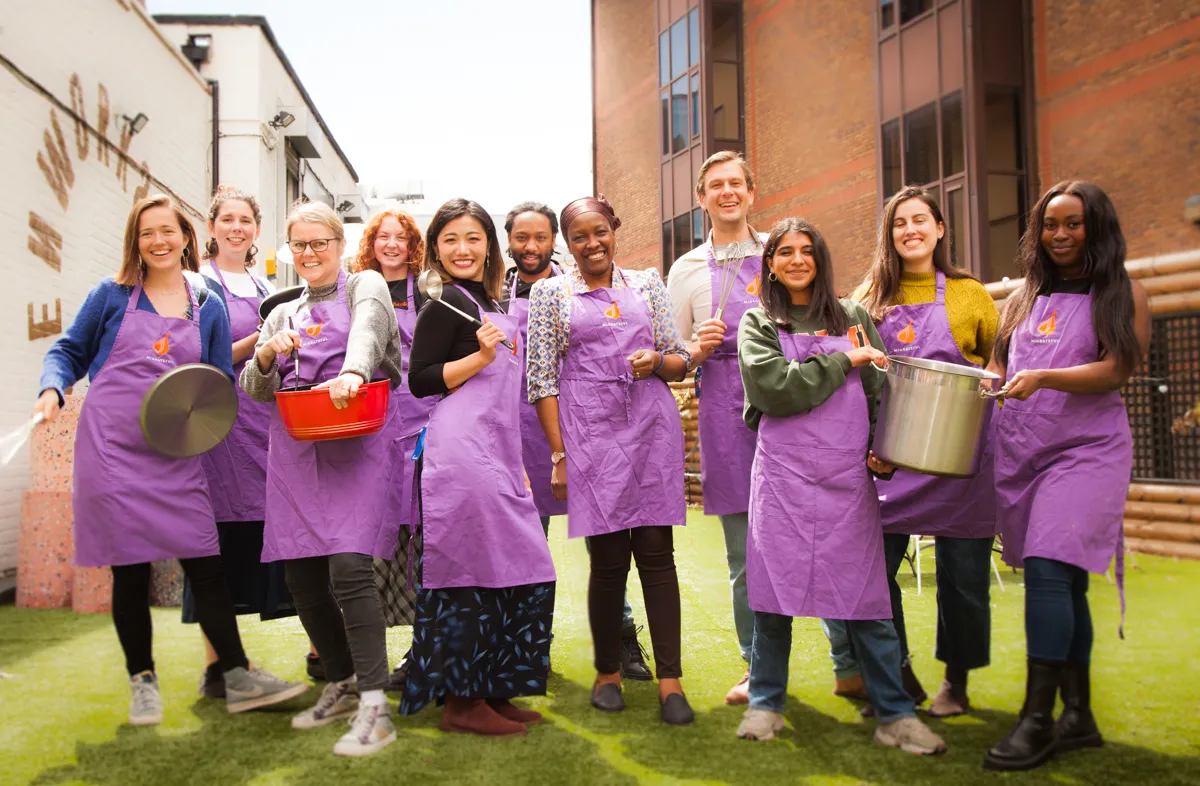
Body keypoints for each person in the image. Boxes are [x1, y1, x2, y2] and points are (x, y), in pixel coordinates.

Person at [34, 194, 305, 726]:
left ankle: (235, 673)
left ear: (185, 236)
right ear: (135, 241)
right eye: (146, 233)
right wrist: (52, 389)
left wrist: (203, 420)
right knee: (130, 570)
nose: (158, 241)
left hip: (176, 450)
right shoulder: (111, 297)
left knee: (205, 562)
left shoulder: (206, 302)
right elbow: (67, 351)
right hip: (113, 449)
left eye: (167, 231)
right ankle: (143, 681)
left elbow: (216, 378)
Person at [734, 217, 946, 755]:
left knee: (866, 601)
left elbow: (880, 391)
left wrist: (883, 449)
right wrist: (842, 359)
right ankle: (766, 704)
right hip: (782, 479)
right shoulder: (759, 323)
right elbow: (774, 390)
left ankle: (895, 714)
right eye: (785, 252)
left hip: (847, 481)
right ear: (771, 264)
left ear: (821, 259)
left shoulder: (852, 316)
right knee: (772, 599)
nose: (797, 260)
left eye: (807, 250)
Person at [984, 181, 1150, 771]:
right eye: (1050, 224)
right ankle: (1078, 716)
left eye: (1072, 224)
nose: (1059, 234)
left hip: (1088, 452)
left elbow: (1116, 369)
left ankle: (1037, 720)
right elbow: (1003, 358)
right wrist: (990, 374)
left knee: (1050, 570)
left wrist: (1045, 378)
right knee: (1067, 582)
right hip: (1026, 449)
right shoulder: (1025, 295)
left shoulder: (1121, 291)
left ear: (1095, 227)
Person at [825, 186, 1000, 717]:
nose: (910, 230)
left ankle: (956, 682)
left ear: (940, 229)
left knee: (964, 579)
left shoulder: (971, 293)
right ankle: (895, 671)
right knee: (874, 574)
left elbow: (996, 365)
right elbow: (855, 368)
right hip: (891, 458)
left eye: (920, 220)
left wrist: (992, 380)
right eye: (900, 223)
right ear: (890, 234)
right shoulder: (868, 296)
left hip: (962, 456)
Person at [243, 200, 403, 757]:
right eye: (300, 245)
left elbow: (368, 332)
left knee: (350, 567)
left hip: (357, 445)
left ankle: (376, 707)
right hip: (295, 455)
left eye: (320, 243)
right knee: (302, 578)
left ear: (339, 245)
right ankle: (340, 678)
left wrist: (354, 371)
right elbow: (255, 388)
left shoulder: (366, 287)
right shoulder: (283, 310)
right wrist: (265, 355)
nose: (309, 254)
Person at [527, 195, 694, 725]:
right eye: (579, 237)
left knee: (657, 555)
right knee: (607, 563)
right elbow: (542, 380)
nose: (591, 243)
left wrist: (659, 361)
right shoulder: (550, 293)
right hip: (591, 436)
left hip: (650, 432)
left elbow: (679, 360)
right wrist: (559, 455)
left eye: (599, 232)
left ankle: (671, 682)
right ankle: (607, 674)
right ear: (567, 244)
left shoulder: (647, 282)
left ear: (614, 230)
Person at [403, 198, 557, 737]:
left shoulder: (489, 299)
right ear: (436, 249)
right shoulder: (442, 303)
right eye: (450, 240)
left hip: (498, 451)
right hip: (462, 453)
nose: (462, 249)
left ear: (489, 244)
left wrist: (518, 462)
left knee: (519, 565)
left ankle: (493, 687)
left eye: (472, 238)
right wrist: (480, 358)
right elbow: (420, 379)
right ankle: (461, 703)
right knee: (470, 570)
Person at [502, 200, 651, 681]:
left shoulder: (570, 289)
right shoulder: (492, 292)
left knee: (605, 547)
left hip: (586, 429)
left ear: (555, 242)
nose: (530, 247)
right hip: (515, 432)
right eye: (521, 238)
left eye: (540, 237)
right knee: (526, 545)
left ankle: (624, 640)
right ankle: (527, 645)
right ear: (509, 240)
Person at [188, 185, 298, 699]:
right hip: (217, 429)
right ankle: (220, 667)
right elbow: (198, 358)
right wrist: (263, 339)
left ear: (256, 230)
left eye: (246, 220)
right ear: (211, 228)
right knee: (217, 538)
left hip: (263, 425)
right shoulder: (196, 286)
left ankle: (308, 653)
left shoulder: (265, 284)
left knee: (270, 531)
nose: (236, 228)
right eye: (227, 219)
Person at [666, 151, 765, 704]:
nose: (727, 192)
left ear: (752, 193)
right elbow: (672, 350)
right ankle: (757, 666)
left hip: (794, 413)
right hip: (726, 415)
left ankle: (847, 658)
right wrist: (695, 349)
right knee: (743, 556)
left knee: (820, 537)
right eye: (715, 186)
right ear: (701, 198)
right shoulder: (685, 270)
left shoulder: (783, 251)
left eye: (736, 184)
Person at [352, 208, 433, 688]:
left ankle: (420, 652)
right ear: (371, 242)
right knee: (369, 539)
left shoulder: (428, 291)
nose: (391, 245)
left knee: (423, 541)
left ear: (412, 245)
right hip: (372, 424)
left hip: (424, 422)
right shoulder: (357, 289)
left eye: (400, 238)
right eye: (383, 237)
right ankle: (361, 654)